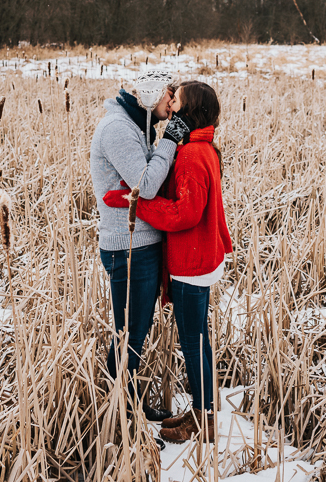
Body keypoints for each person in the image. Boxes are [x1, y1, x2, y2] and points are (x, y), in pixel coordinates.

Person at [103, 80, 232, 443]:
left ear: (188, 111)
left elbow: (183, 214)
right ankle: (204, 411)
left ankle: (204, 419)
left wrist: (135, 203)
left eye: (177, 100)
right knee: (198, 339)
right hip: (199, 257)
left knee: (193, 342)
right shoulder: (201, 148)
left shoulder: (191, 154)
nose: (170, 103)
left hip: (192, 262)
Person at [90, 68, 190, 423]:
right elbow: (145, 185)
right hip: (128, 248)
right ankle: (121, 417)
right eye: (169, 94)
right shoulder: (118, 129)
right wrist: (170, 141)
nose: (173, 102)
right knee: (129, 335)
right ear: (150, 95)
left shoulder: (135, 126)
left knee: (134, 331)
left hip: (140, 245)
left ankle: (126, 405)